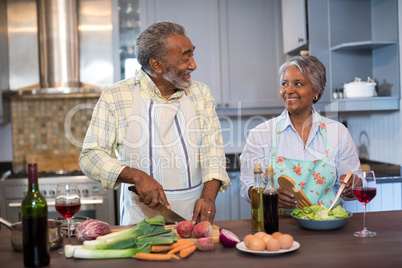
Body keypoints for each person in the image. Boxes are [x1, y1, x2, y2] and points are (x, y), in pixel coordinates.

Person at [79, 22, 230, 225]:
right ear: (156, 65)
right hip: (140, 222)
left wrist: (209, 197)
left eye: (192, 55)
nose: (193, 65)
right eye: (185, 58)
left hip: (193, 219)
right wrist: (136, 177)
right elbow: (90, 157)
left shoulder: (200, 94)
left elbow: (213, 151)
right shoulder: (115, 96)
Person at [239, 55, 360, 216]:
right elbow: (246, 185)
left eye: (298, 84)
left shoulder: (338, 132)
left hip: (327, 229)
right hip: (279, 229)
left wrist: (353, 187)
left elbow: (352, 187)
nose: (288, 90)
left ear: (316, 90)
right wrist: (267, 197)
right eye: (284, 84)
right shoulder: (261, 134)